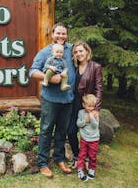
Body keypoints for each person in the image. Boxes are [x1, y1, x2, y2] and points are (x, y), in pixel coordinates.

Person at [29, 22, 75, 178]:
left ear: (67, 35)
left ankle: (59, 159)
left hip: (67, 98)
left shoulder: (71, 50)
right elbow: (33, 72)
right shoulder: (45, 52)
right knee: (46, 130)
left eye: (64, 34)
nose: (61, 36)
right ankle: (42, 163)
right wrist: (51, 78)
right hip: (50, 99)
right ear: (53, 35)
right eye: (58, 33)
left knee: (62, 131)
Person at [67, 40, 103, 170]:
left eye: (81, 51)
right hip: (73, 104)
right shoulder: (74, 67)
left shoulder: (95, 67)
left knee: (88, 133)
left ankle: (87, 159)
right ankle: (77, 156)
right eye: (76, 52)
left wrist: (96, 109)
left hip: (87, 105)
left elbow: (99, 88)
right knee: (71, 131)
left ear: (87, 51)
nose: (78, 54)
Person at [76, 94, 100, 182]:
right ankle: (80, 170)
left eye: (93, 106)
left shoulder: (95, 113)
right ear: (84, 105)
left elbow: (95, 126)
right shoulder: (81, 113)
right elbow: (78, 124)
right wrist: (85, 120)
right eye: (89, 106)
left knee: (92, 155)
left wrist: (92, 118)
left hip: (94, 139)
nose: (91, 108)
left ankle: (92, 169)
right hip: (84, 138)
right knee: (82, 154)